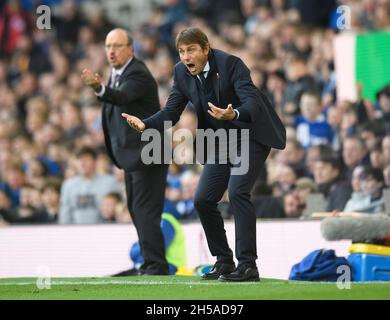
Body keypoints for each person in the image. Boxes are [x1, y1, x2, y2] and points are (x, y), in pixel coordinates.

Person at [122, 27, 286, 282]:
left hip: (251, 133)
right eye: (181, 52)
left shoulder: (231, 64)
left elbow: (252, 101)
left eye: (191, 50)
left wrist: (234, 114)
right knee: (202, 199)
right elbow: (171, 112)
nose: (186, 57)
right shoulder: (181, 73)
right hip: (222, 140)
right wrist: (146, 124)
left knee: (238, 191)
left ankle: (248, 265)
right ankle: (224, 261)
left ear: (206, 48)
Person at [81, 28, 170, 275]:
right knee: (137, 209)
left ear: (131, 48)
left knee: (145, 210)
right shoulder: (117, 73)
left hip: (148, 154)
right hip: (134, 156)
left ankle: (156, 265)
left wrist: (99, 88)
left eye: (117, 45)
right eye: (108, 46)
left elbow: (121, 97)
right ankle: (151, 262)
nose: (111, 51)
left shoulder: (137, 73)